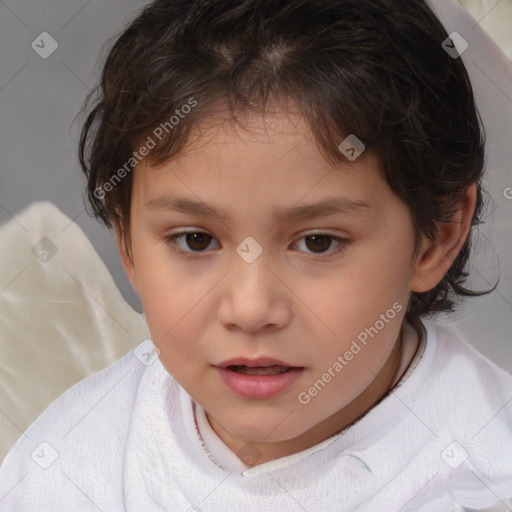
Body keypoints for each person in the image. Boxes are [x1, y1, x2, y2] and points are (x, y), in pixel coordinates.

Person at [1, 0, 511, 510]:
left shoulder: (485, 478)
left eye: (318, 242)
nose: (249, 309)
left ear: (438, 235)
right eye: (195, 240)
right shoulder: (70, 467)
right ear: (128, 243)